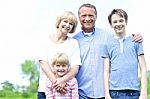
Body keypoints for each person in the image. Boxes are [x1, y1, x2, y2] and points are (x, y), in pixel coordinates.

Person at [73, 3, 144, 99]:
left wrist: (136, 36)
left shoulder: (107, 36)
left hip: (105, 94)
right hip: (82, 93)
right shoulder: (74, 41)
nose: (87, 18)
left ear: (96, 17)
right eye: (84, 16)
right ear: (79, 17)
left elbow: (121, 34)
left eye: (91, 15)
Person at [102, 9, 147, 99]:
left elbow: (143, 68)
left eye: (121, 20)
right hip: (114, 92)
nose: (118, 24)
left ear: (126, 21)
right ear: (111, 25)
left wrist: (143, 93)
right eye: (115, 22)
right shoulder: (107, 44)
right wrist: (107, 94)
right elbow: (106, 71)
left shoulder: (136, 41)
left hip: (133, 92)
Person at [37, 11, 81, 99]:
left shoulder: (73, 43)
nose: (67, 25)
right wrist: (57, 83)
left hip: (67, 92)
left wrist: (63, 81)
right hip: (46, 91)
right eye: (65, 21)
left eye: (71, 23)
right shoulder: (45, 39)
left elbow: (75, 67)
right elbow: (43, 63)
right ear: (59, 22)